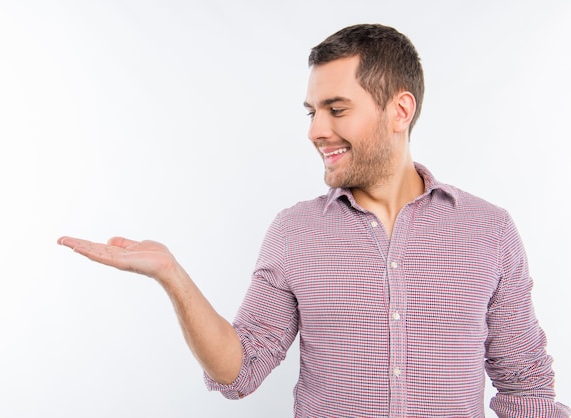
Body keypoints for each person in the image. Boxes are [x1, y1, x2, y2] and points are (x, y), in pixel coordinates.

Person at [58, 24, 569, 417]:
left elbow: (526, 389)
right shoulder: (296, 232)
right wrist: (173, 275)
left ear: (400, 110)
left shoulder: (488, 230)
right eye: (311, 112)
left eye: (337, 109)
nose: (316, 131)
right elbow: (240, 369)